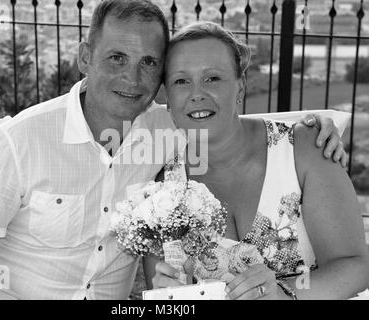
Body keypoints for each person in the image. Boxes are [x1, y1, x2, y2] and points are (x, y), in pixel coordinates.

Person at [0, 0, 344, 300]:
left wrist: (315, 126)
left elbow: (221, 111)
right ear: (85, 57)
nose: (132, 78)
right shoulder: (21, 140)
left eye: (149, 63)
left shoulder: (166, 124)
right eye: (117, 57)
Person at [147, 22, 369, 300]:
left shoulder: (304, 148)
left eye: (212, 78)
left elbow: (354, 266)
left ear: (240, 87)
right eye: (181, 81)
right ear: (167, 97)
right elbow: (167, 291)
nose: (196, 93)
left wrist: (284, 295)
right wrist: (166, 293)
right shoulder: (164, 192)